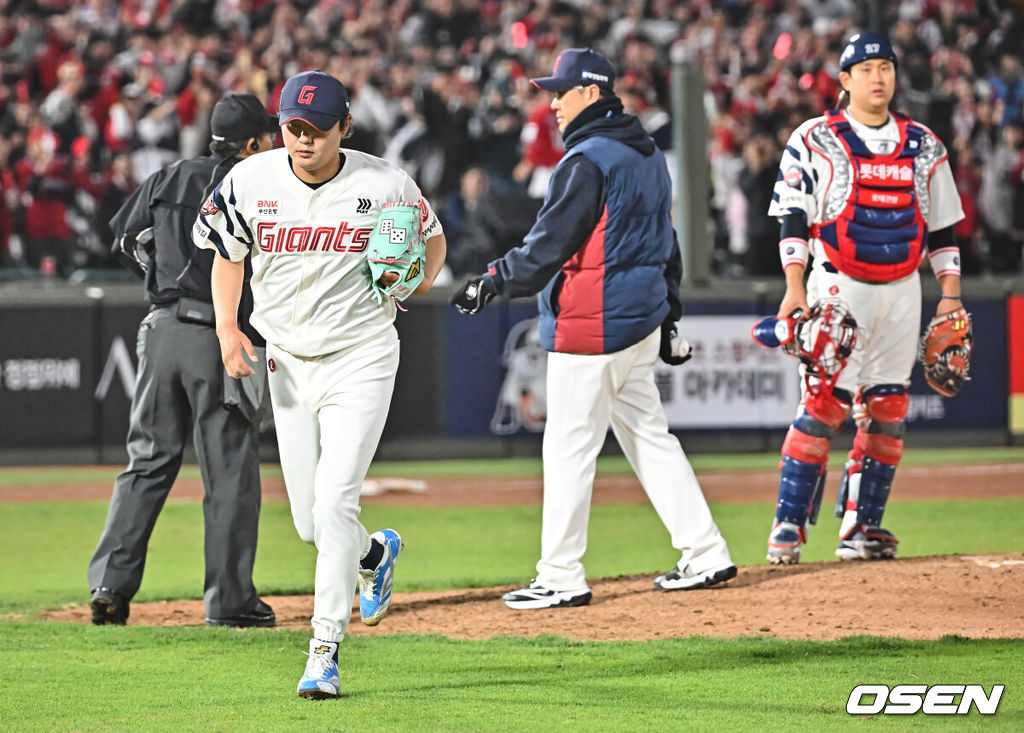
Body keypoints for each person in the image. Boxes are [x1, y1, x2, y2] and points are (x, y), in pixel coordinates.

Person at [449, 48, 736, 610]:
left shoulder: (586, 160)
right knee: (651, 440)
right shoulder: (649, 153)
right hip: (639, 323)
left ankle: (560, 574)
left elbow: (547, 246)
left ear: (594, 92)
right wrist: (671, 315)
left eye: (562, 91)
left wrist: (492, 279)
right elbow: (667, 245)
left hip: (593, 324)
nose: (552, 102)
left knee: (569, 449)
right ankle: (706, 551)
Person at [192, 70, 446, 699]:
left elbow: (435, 240)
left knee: (335, 499)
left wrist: (412, 283)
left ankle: (324, 649)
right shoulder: (249, 180)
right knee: (312, 522)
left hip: (361, 354)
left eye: (316, 128)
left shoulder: (384, 182)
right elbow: (228, 254)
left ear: (345, 127)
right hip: (287, 359)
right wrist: (228, 328)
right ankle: (372, 557)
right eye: (291, 127)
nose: (302, 139)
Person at [764, 33, 965, 565]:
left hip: (903, 288)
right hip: (837, 282)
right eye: (866, 68)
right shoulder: (814, 137)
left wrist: (951, 296)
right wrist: (793, 285)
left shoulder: (924, 145)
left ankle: (862, 525)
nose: (878, 77)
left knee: (888, 409)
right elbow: (793, 217)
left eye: (886, 67)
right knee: (823, 402)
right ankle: (787, 523)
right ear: (845, 80)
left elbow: (943, 231)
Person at [88, 93, 280, 628]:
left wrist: (161, 281)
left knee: (146, 463)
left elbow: (125, 240)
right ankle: (230, 601)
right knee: (230, 473)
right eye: (267, 136)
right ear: (250, 144)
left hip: (162, 329)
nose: (274, 143)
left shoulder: (169, 176)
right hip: (221, 339)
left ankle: (110, 586)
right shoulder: (256, 184)